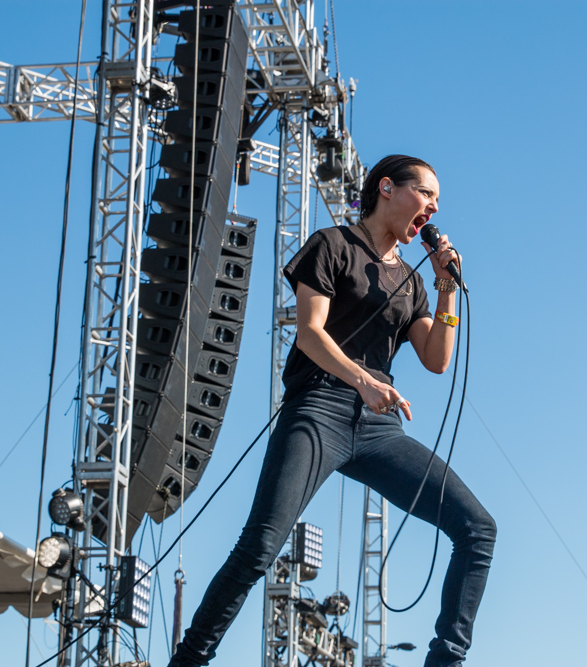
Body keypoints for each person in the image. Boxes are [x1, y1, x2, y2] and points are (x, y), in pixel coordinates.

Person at [168, 155, 496, 667]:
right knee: (260, 546)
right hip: (319, 405)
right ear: (387, 188)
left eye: (436, 202)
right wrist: (363, 379)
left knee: (478, 529)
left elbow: (436, 359)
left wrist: (446, 287)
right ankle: (189, 660)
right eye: (426, 194)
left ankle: (447, 660)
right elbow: (310, 333)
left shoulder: (411, 282)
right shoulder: (332, 245)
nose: (432, 208)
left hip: (378, 427)